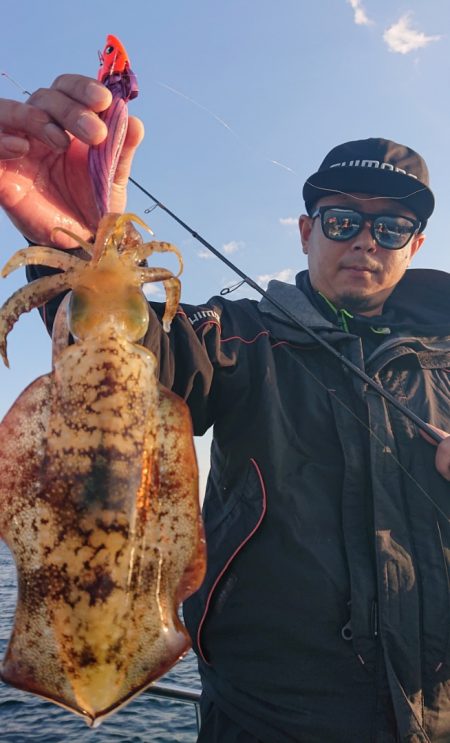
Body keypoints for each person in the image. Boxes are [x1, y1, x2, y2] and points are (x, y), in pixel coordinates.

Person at [1, 75, 450, 743]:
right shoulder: (235, 336)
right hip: (266, 721)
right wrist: (81, 251)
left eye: (391, 226)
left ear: (414, 246)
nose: (365, 240)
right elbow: (138, 353)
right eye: (342, 220)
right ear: (305, 233)